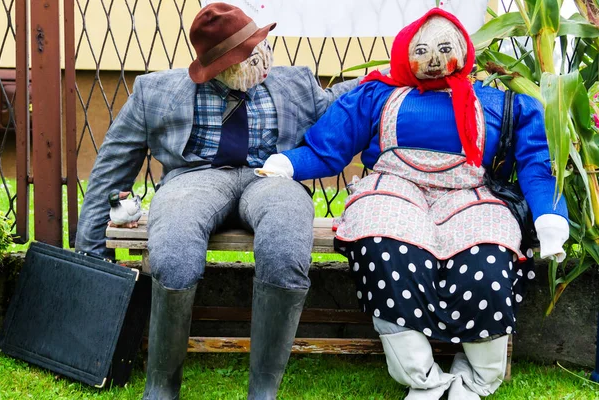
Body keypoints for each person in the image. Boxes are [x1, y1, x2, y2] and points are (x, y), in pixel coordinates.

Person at [258, 8, 569, 400]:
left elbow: (536, 166)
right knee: (384, 247)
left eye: (444, 48)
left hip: (470, 195)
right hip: (395, 189)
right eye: (423, 49)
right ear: (406, 52)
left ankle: (476, 377)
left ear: (463, 49)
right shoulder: (375, 95)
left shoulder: (502, 105)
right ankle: (421, 377)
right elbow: (328, 147)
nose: (435, 59)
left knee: (487, 257)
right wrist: (290, 163)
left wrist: (549, 216)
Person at [74, 3, 359, 399]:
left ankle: (263, 391)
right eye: (246, 56)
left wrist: (382, 81)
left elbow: (342, 108)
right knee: (172, 251)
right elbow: (112, 164)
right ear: (217, 66)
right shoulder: (155, 92)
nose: (259, 61)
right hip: (195, 177)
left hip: (272, 175)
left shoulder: (296, 82)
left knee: (285, 241)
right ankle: (161, 387)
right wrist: (91, 254)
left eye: (260, 47)